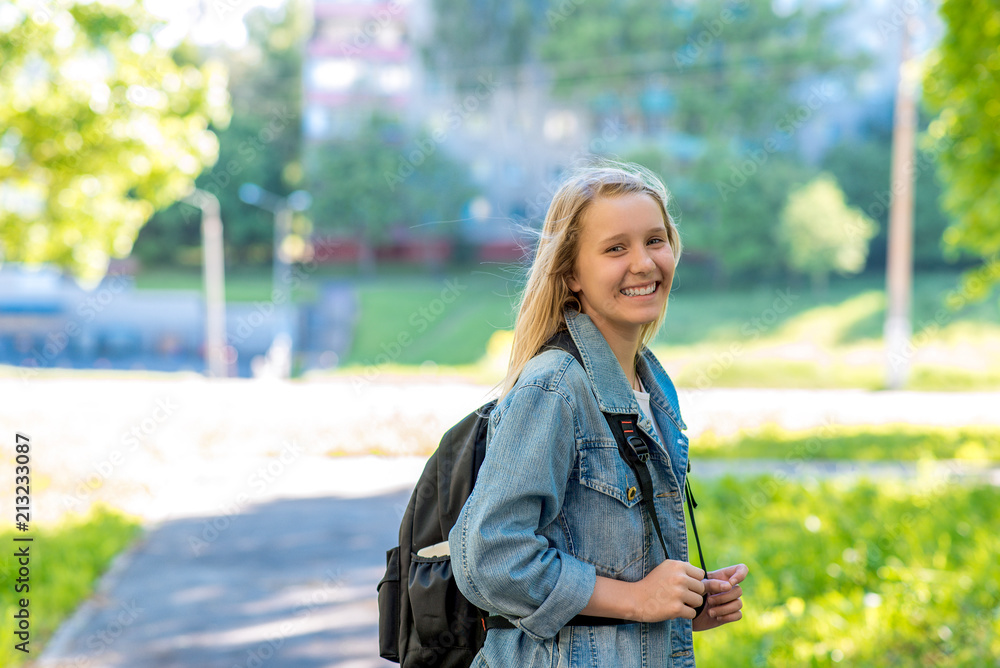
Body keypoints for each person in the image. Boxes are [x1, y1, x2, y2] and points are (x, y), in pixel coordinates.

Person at [448, 163, 748, 667]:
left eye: (655, 240)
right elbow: (492, 559)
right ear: (571, 274)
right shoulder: (556, 387)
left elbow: (616, 570)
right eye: (615, 248)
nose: (644, 263)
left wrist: (680, 605)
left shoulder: (651, 388)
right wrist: (636, 600)